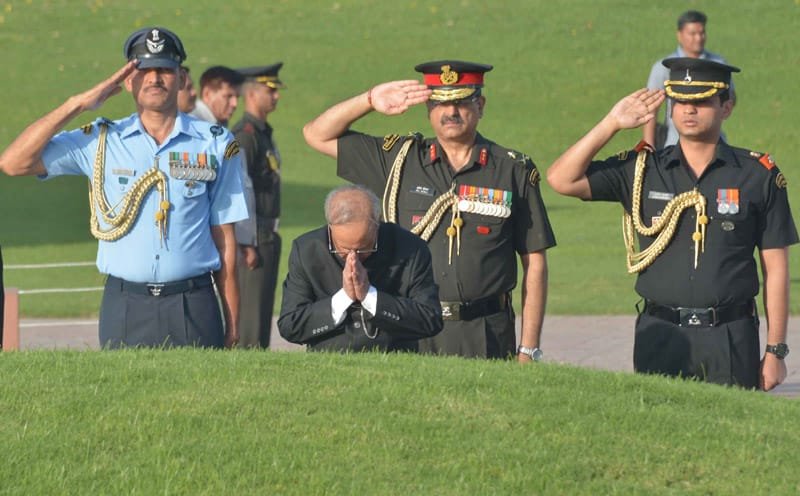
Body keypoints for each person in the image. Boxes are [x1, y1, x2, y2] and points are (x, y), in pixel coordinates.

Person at [546, 58, 798, 390]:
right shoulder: (644, 169)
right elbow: (561, 179)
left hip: (730, 337)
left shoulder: (757, 176)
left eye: (701, 100)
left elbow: (776, 269)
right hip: (660, 334)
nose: (688, 109)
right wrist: (611, 122)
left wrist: (775, 351)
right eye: (679, 100)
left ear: (727, 107)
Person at [0, 27, 248, 349]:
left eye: (165, 70)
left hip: (193, 302)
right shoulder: (102, 140)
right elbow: (14, 162)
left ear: (182, 78)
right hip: (126, 304)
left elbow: (225, 239)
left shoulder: (215, 143)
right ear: (128, 80)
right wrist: (78, 104)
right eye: (144, 70)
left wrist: (232, 321)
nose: (154, 79)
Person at [303, 60, 556, 361]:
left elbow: (535, 262)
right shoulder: (400, 160)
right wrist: (369, 100)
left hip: (485, 331)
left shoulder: (512, 170)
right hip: (409, 328)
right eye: (439, 103)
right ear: (428, 109)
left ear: (481, 104)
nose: (451, 112)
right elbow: (317, 135)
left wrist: (528, 349)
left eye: (462, 102)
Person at [278, 185, 442, 351]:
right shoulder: (307, 250)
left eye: (363, 248)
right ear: (330, 229)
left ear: (377, 225)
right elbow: (290, 325)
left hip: (393, 359)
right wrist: (343, 298)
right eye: (343, 250)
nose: (353, 258)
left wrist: (370, 297)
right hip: (329, 361)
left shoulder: (410, 248)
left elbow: (430, 319)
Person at [230, 63, 285, 348]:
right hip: (254, 237)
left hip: (266, 235)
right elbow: (239, 190)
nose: (276, 96)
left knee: (262, 314)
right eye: (270, 90)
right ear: (251, 94)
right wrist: (245, 242)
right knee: (250, 320)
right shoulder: (246, 135)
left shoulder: (262, 132)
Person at [644, 10, 734, 148]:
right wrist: (648, 145)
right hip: (674, 143)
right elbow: (651, 108)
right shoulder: (663, 67)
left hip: (714, 143)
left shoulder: (719, 64)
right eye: (692, 34)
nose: (698, 38)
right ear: (679, 35)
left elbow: (730, 98)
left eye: (702, 33)